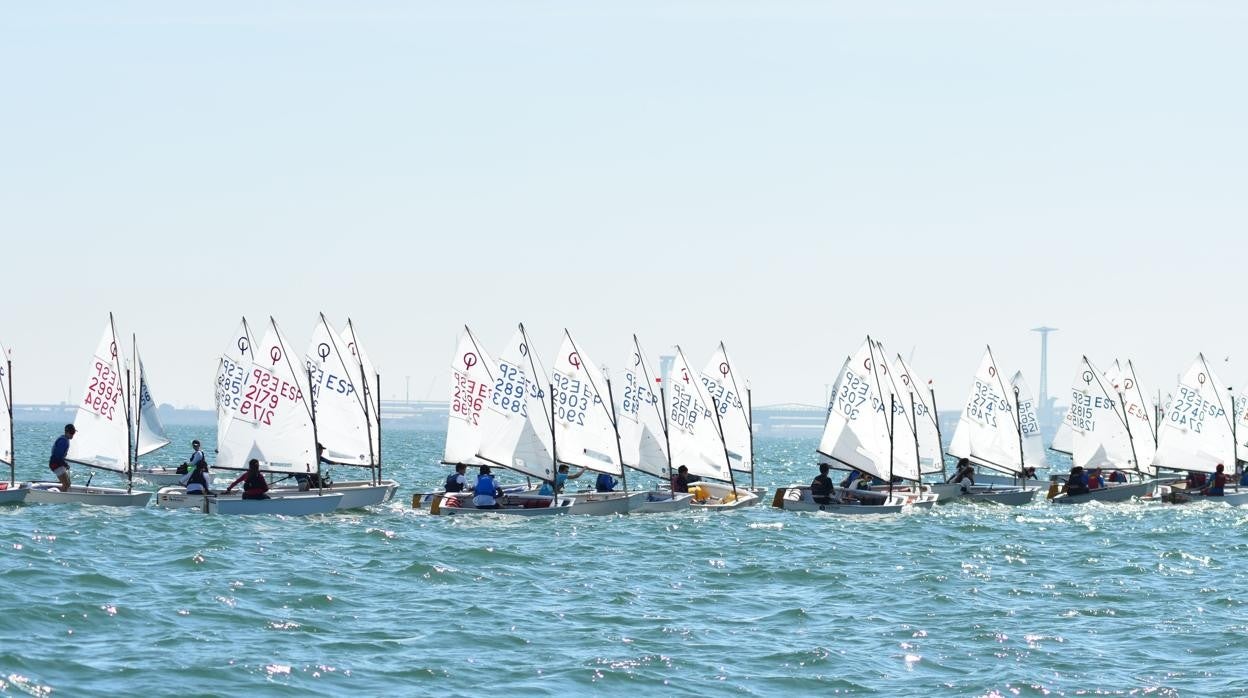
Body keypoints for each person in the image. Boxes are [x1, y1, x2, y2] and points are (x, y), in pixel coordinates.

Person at [49, 424, 75, 491]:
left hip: (59, 464)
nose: (73, 435)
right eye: (71, 433)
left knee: (68, 484)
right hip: (56, 464)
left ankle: (60, 493)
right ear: (66, 432)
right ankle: (58, 497)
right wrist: (65, 465)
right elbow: (58, 456)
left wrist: (65, 464)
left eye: (73, 433)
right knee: (66, 484)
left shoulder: (65, 439)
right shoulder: (63, 441)